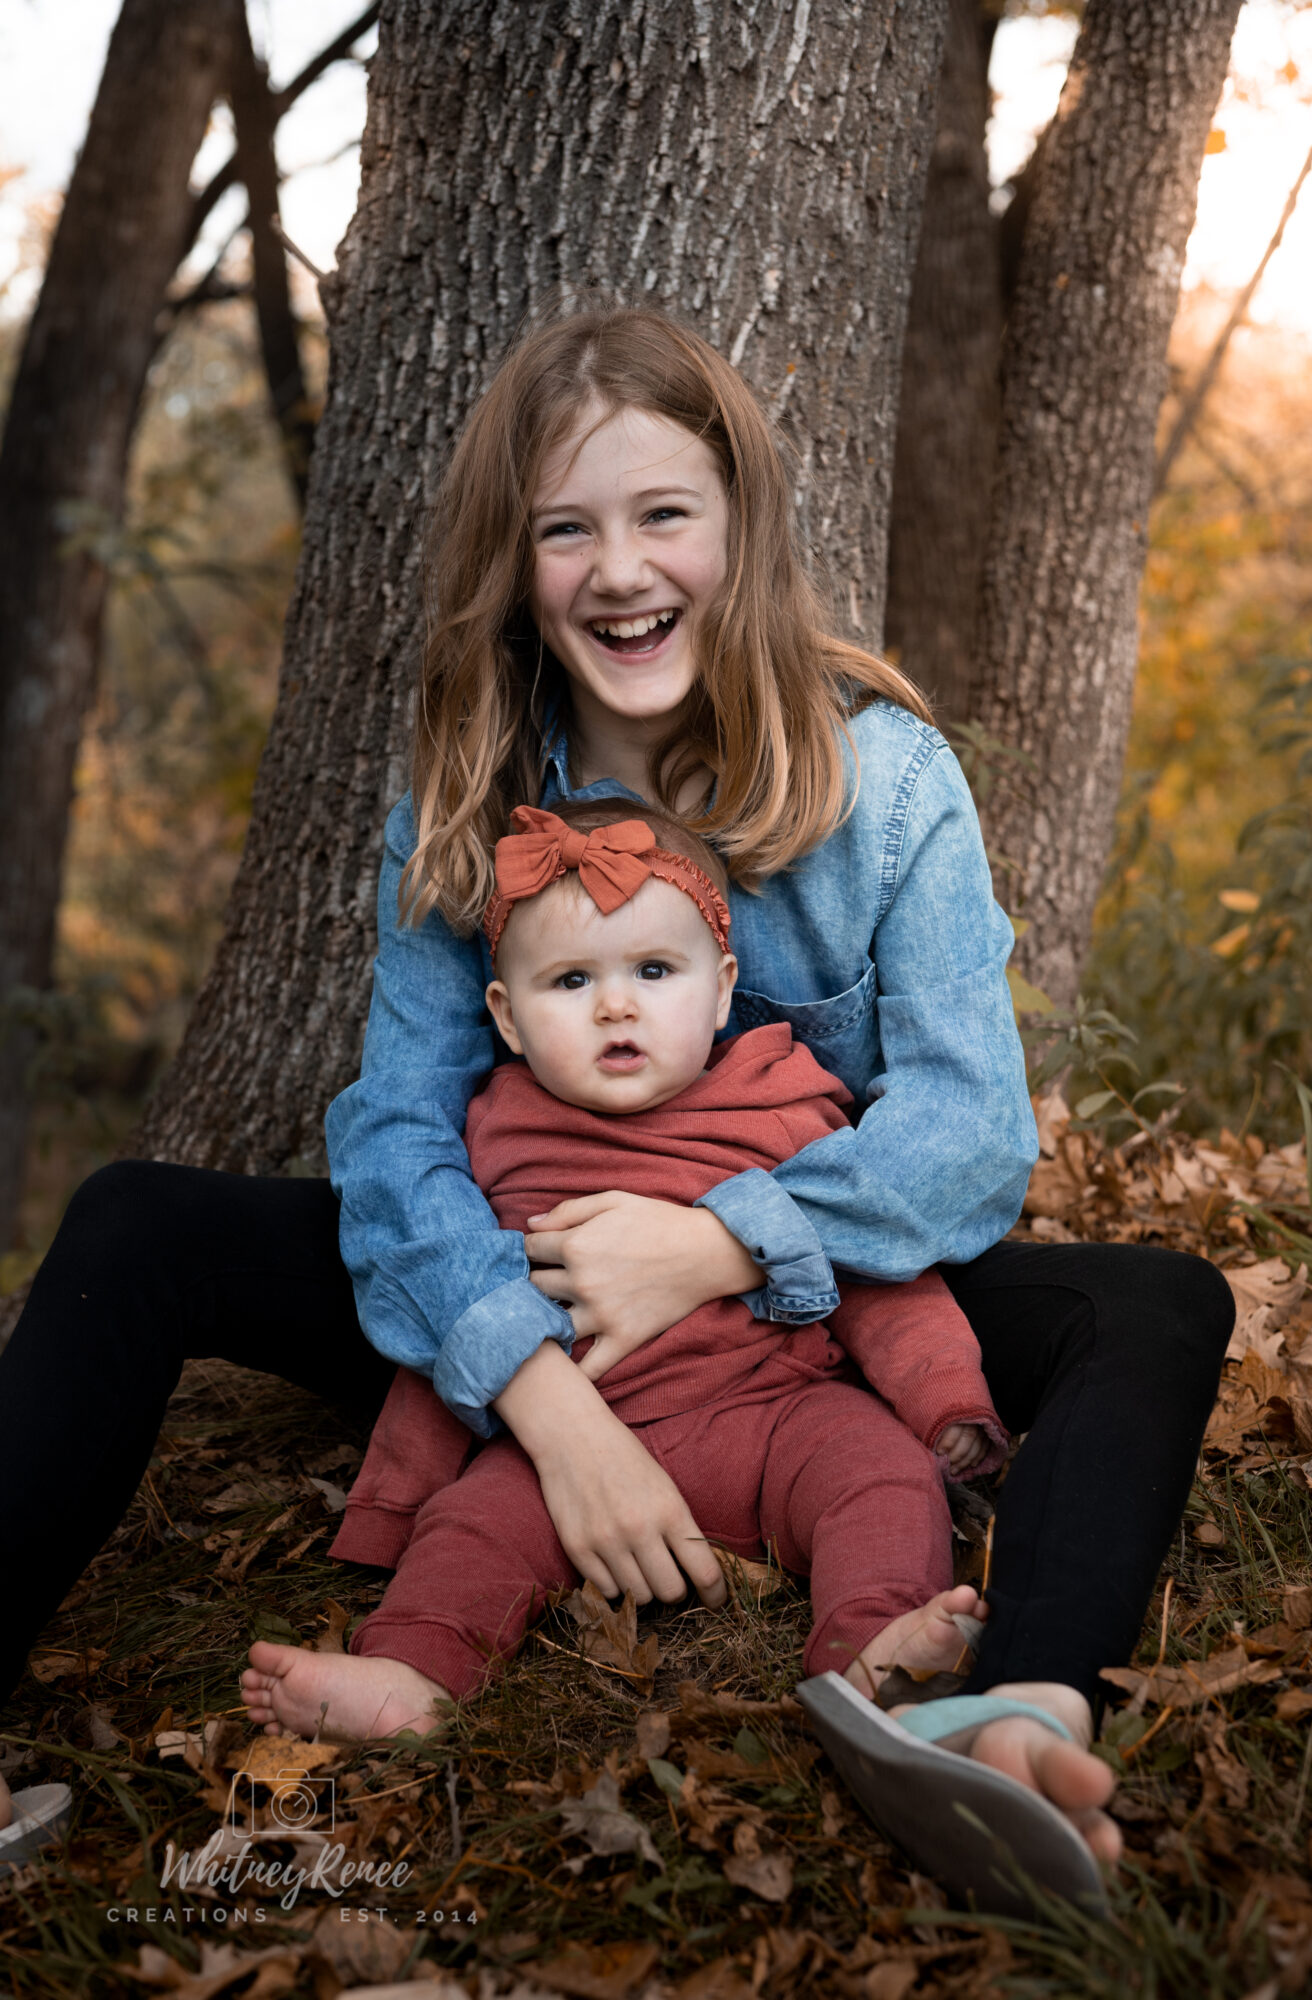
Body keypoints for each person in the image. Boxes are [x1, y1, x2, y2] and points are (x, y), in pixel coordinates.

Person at [0, 304, 1232, 1896]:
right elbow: (396, 1135)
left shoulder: (885, 781)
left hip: (808, 1313)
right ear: (516, 565)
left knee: (1159, 1304)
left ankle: (1011, 1715)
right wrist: (551, 1405)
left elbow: (971, 1131)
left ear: (740, 526)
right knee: (136, 1221)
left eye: (663, 514)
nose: (620, 570)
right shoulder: (468, 793)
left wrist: (716, 1244)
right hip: (534, 1287)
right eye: (565, 530)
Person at [241, 797, 1005, 1741]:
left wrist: (943, 1396)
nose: (616, 1004)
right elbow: (461, 1304)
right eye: (571, 980)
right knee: (473, 1528)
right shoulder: (493, 1134)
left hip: (777, 1417)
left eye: (653, 970)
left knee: (879, 1474)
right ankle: (411, 1674)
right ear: (506, 1017)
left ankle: (874, 1647)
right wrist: (402, 1498)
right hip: (564, 1449)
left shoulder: (779, 1101)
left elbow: (871, 1270)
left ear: (722, 990)